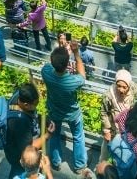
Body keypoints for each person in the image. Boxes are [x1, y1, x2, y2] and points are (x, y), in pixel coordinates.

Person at [41, 43, 94, 179]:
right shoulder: (72, 81)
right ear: (67, 64)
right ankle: (79, 166)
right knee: (78, 136)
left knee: (54, 135)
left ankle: (56, 162)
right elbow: (83, 75)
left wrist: (58, 56)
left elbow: (48, 64)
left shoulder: (46, 72)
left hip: (54, 111)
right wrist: (76, 53)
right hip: (73, 114)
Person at [3, 83, 50, 179]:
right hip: (19, 157)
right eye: (35, 104)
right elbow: (30, 147)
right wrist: (48, 134)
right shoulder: (19, 121)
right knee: (18, 171)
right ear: (26, 105)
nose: (36, 107)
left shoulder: (18, 95)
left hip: (16, 149)